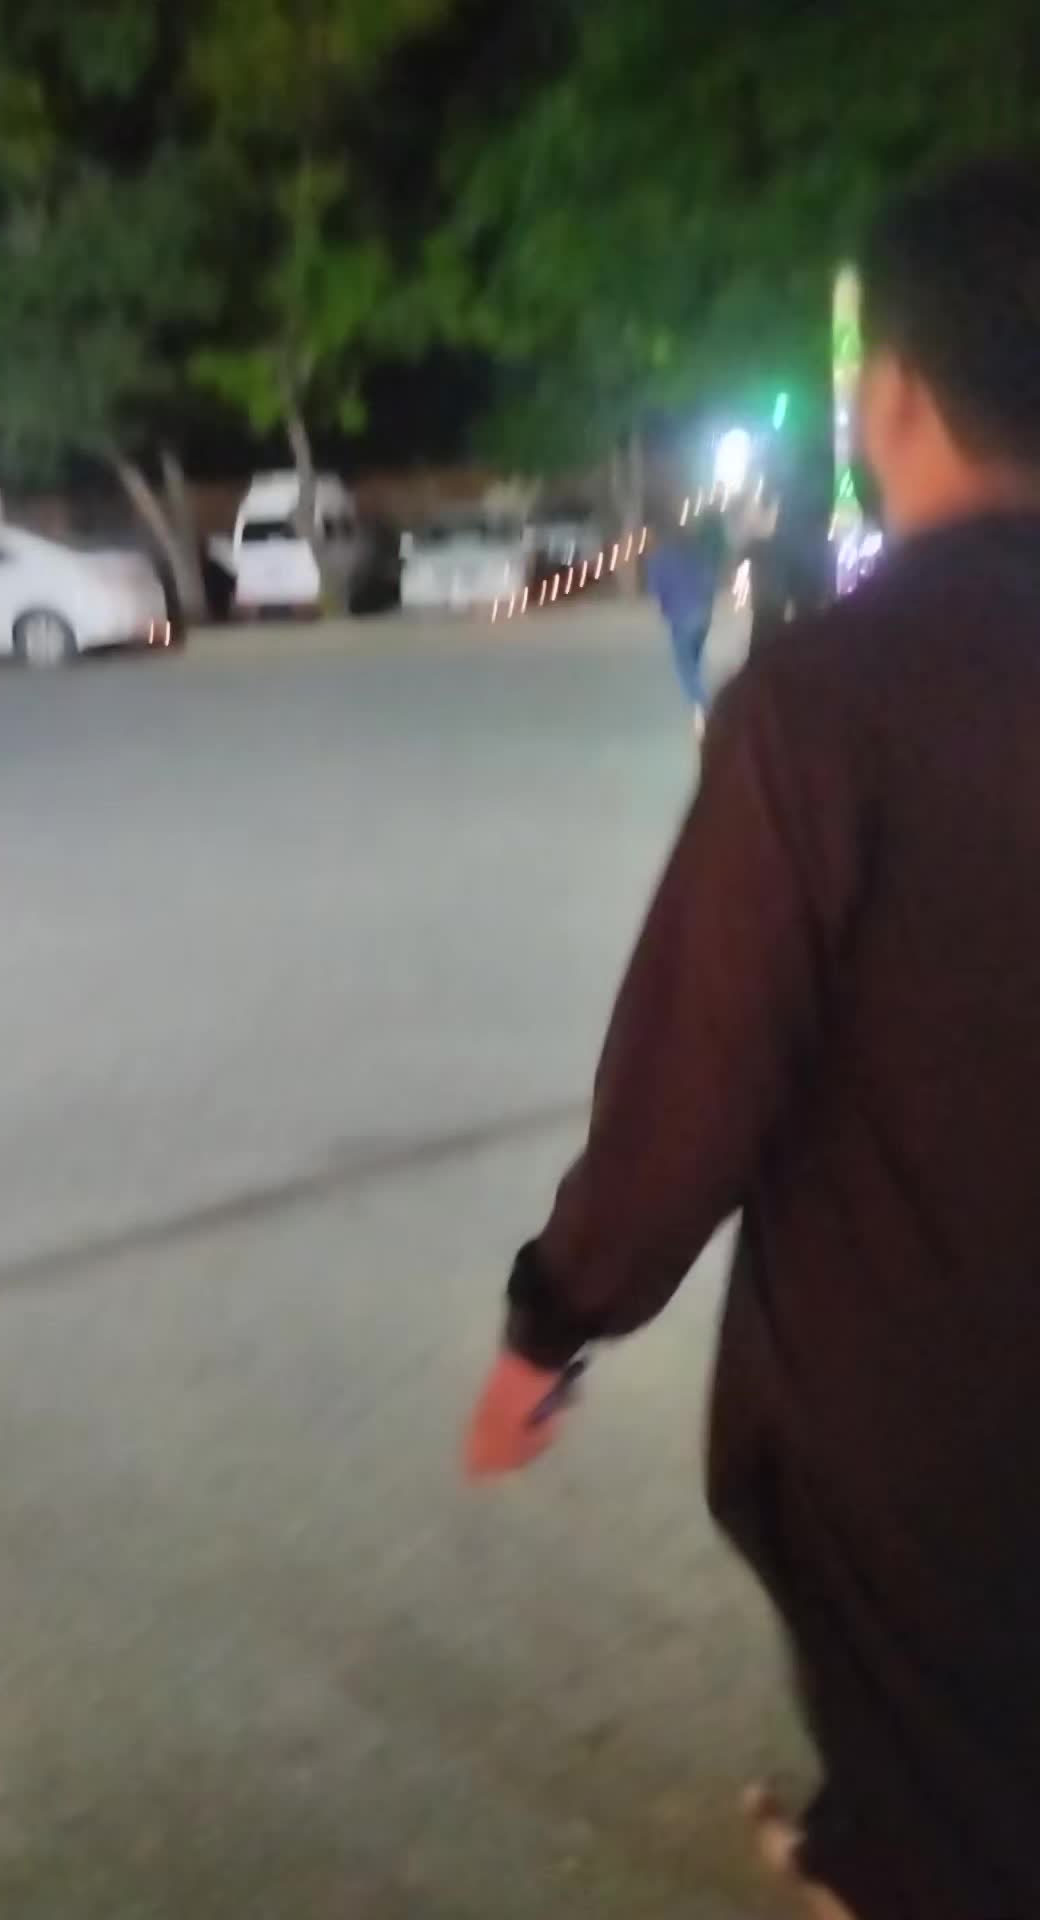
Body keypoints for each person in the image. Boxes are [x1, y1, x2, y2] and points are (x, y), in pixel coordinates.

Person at [465, 155, 1040, 1920]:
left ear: (896, 394)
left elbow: (693, 1076)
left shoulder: (832, 701)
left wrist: (552, 1321)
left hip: (918, 1413)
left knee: (946, 1786)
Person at [645, 509, 724, 738]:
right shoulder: (695, 552)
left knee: (685, 668)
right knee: (695, 661)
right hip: (702, 615)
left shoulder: (659, 557)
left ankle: (705, 708)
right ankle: (701, 711)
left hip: (680, 616)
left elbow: (656, 589)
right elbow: (710, 581)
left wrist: (665, 608)